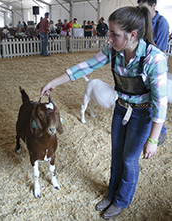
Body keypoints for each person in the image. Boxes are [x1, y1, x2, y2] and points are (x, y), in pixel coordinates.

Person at [40, 6, 168, 220]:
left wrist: (153, 140)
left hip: (142, 114)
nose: (108, 38)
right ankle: (111, 194)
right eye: (109, 32)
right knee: (116, 155)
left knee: (129, 160)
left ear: (132, 35)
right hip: (121, 109)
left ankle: (122, 200)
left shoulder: (154, 59)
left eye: (114, 34)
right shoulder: (114, 51)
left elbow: (160, 103)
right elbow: (86, 66)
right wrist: (54, 82)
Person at [138, 0, 169, 145]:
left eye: (144, 7)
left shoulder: (161, 23)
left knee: (157, 99)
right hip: (143, 64)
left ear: (153, 6)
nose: (141, 10)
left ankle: (161, 132)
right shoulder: (142, 20)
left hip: (155, 65)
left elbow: (160, 49)